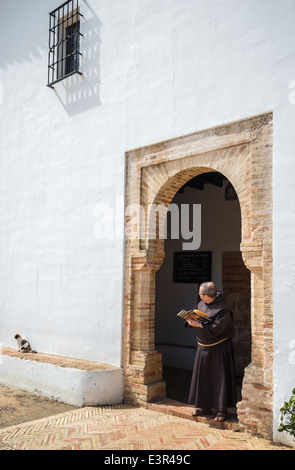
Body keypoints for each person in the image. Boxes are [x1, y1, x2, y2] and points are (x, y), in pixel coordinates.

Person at [186, 281, 236, 422]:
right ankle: (203, 406)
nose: (200, 297)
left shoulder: (223, 310)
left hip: (219, 349)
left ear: (207, 296)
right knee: (203, 378)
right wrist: (190, 318)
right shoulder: (201, 304)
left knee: (219, 380)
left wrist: (200, 324)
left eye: (201, 294)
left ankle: (221, 410)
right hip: (203, 348)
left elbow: (217, 329)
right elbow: (196, 313)